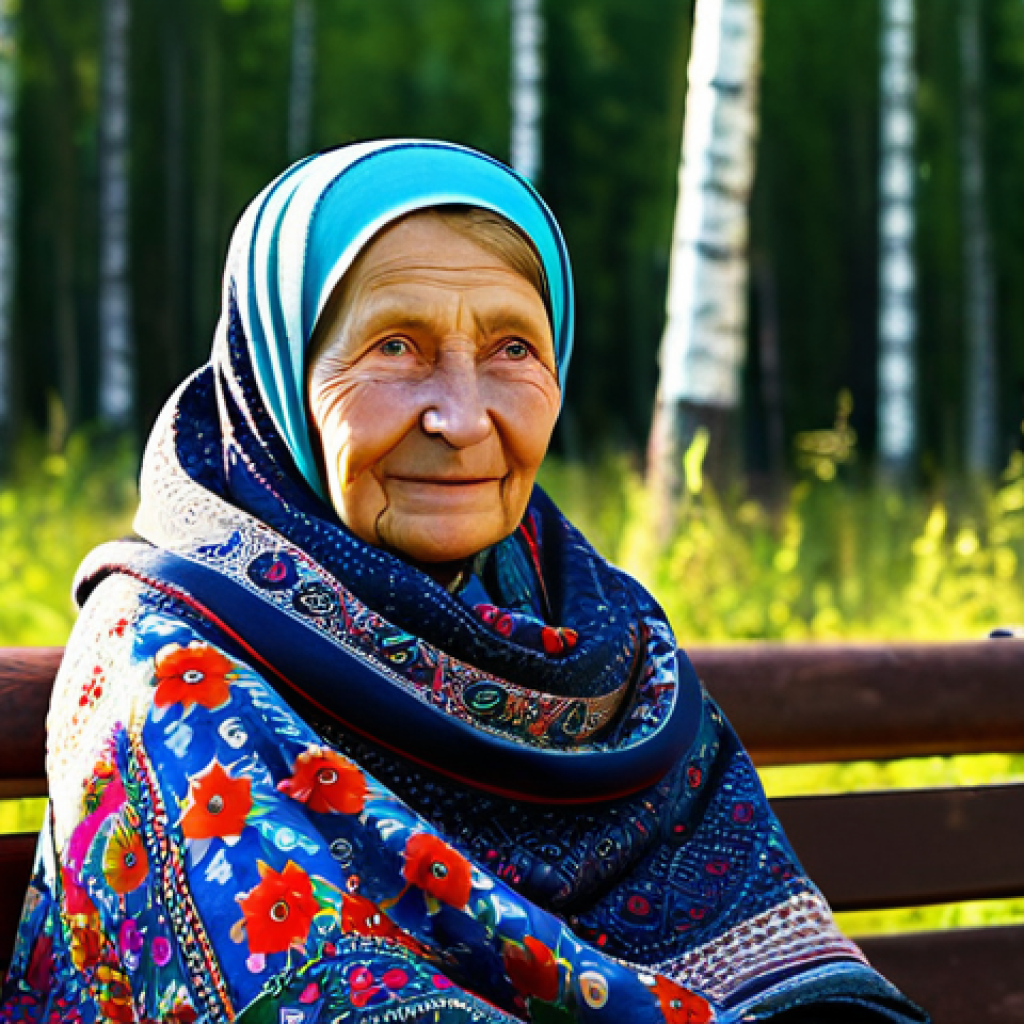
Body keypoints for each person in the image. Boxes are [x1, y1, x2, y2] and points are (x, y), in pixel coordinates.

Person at [0, 140, 928, 1024]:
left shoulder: (610, 646)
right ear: (280, 373)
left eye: (513, 350)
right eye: (395, 347)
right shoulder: (169, 661)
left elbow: (787, 967)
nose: (461, 414)